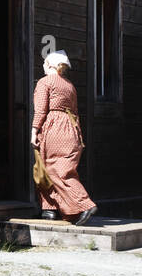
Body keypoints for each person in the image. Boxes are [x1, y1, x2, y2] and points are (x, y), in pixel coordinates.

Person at [31, 50, 98, 225]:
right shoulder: (69, 85)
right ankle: (51, 209)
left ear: (51, 65)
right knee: (57, 168)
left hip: (55, 128)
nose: (43, 67)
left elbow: (40, 110)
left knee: (55, 171)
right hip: (71, 128)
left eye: (45, 63)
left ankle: (84, 205)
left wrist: (34, 131)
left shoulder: (45, 82)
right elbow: (75, 111)